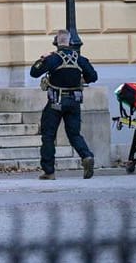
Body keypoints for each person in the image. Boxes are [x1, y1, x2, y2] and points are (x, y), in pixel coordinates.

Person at [30, 29, 98, 180]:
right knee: (74, 134)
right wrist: (81, 80)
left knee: (48, 135)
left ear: (56, 43)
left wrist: (42, 59)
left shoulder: (53, 59)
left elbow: (33, 73)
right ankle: (86, 156)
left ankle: (49, 171)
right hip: (74, 102)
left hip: (56, 102)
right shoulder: (80, 59)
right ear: (70, 42)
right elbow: (93, 76)